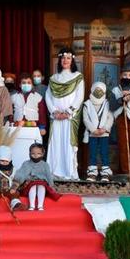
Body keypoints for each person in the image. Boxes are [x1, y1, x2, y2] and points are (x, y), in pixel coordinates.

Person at [45, 48, 84, 180]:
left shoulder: (78, 77)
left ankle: (70, 172)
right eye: (63, 58)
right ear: (59, 60)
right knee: (55, 143)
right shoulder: (53, 78)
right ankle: (54, 172)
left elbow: (79, 97)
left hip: (69, 118)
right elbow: (48, 96)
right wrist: (55, 112)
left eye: (68, 58)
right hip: (56, 118)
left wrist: (68, 112)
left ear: (72, 60)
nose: (65, 60)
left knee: (68, 143)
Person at [82, 81, 114, 183]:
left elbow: (110, 118)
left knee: (104, 152)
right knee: (93, 153)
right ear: (92, 90)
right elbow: (85, 119)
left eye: (101, 90)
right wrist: (93, 130)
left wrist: (105, 128)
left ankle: (105, 172)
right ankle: (92, 172)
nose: (98, 92)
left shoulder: (107, 103)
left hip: (104, 134)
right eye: (96, 90)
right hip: (92, 134)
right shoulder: (87, 104)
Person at [13, 143, 59, 211]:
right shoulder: (26, 163)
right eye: (33, 153)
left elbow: (48, 176)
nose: (35, 156)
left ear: (42, 154)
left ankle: (40, 205)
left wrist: (51, 186)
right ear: (29, 153)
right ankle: (32, 205)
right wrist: (15, 186)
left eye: (38, 153)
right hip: (29, 184)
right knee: (33, 186)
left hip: (42, 183)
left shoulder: (45, 165)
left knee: (41, 185)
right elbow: (21, 174)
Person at [0, 145, 24, 212]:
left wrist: (14, 188)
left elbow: (16, 179)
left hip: (9, 189)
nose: (4, 163)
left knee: (15, 194)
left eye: (7, 161)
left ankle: (16, 205)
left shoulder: (13, 169)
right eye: (2, 161)